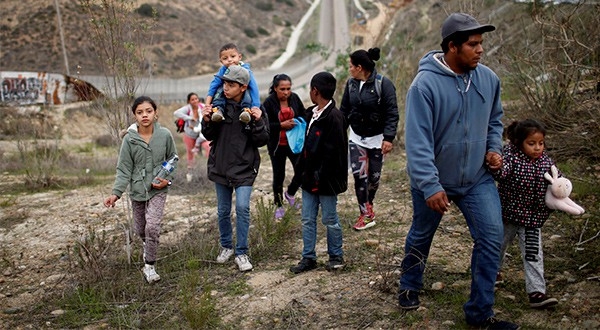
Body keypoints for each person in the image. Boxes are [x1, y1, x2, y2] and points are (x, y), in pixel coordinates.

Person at [399, 13, 519, 329]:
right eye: (473, 44)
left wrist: (494, 148)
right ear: (453, 47)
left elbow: (495, 119)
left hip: (477, 178)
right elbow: (418, 141)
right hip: (434, 178)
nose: (480, 50)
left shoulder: (488, 80)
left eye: (481, 44)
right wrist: (429, 185)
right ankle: (409, 283)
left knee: (491, 236)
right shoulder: (424, 86)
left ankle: (480, 313)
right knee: (422, 233)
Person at [201, 65, 269, 272]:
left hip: (244, 168)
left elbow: (262, 140)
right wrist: (206, 120)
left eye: (231, 85)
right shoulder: (219, 107)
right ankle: (226, 247)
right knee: (223, 211)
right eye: (224, 83)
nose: (226, 88)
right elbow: (209, 135)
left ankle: (241, 252)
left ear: (243, 87)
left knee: (242, 208)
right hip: (221, 166)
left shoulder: (254, 108)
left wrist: (257, 121)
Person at [104, 96, 178, 283]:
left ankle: (150, 266)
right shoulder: (129, 140)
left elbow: (172, 159)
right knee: (140, 229)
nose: (144, 115)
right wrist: (116, 193)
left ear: (155, 113)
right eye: (140, 112)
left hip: (158, 190)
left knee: (152, 226)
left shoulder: (165, 135)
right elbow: (124, 168)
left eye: (148, 111)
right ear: (134, 116)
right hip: (137, 190)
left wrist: (166, 180)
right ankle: (148, 245)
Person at [492, 119, 559, 309]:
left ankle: (537, 292)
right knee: (498, 245)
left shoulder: (545, 160)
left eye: (541, 143)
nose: (537, 148)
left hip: (532, 218)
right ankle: (492, 274)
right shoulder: (511, 157)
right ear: (519, 142)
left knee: (533, 254)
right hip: (508, 215)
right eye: (532, 144)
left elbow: (556, 178)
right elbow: (502, 174)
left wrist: (561, 187)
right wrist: (496, 166)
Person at [289, 72, 348, 274]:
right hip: (308, 177)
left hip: (327, 180)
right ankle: (308, 257)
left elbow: (335, 153)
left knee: (330, 218)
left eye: (310, 89)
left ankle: (336, 255)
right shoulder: (310, 114)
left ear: (315, 91)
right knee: (307, 218)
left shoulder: (334, 118)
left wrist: (320, 175)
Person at [340, 47, 399, 231]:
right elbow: (344, 111)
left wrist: (388, 138)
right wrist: (339, 132)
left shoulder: (384, 84)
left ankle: (369, 203)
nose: (349, 69)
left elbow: (392, 113)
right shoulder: (350, 85)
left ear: (359, 67)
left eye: (351, 66)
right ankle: (365, 214)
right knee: (359, 176)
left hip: (377, 138)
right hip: (356, 137)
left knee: (374, 177)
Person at [261, 73, 307, 219]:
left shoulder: (294, 98)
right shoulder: (269, 103)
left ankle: (290, 193)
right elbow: (265, 125)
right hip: (277, 145)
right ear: (275, 88)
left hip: (294, 144)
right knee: (278, 176)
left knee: (302, 171)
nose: (286, 92)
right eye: (282, 89)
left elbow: (304, 114)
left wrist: (297, 121)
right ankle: (279, 205)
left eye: (288, 88)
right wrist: (281, 125)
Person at [204, 43, 260, 124]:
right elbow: (213, 86)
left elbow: (254, 88)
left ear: (239, 57)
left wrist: (256, 106)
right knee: (219, 89)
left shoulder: (246, 71)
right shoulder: (222, 71)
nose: (229, 60)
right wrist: (207, 105)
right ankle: (218, 110)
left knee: (247, 91)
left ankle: (246, 110)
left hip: (243, 95)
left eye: (233, 56)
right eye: (225, 58)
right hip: (224, 99)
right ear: (221, 61)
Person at [173, 92, 205, 182]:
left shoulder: (202, 107)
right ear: (189, 101)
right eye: (193, 99)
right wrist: (189, 118)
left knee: (208, 147)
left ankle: (206, 171)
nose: (195, 101)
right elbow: (176, 113)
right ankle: (190, 175)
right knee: (190, 154)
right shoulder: (187, 108)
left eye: (196, 99)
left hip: (201, 134)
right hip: (189, 134)